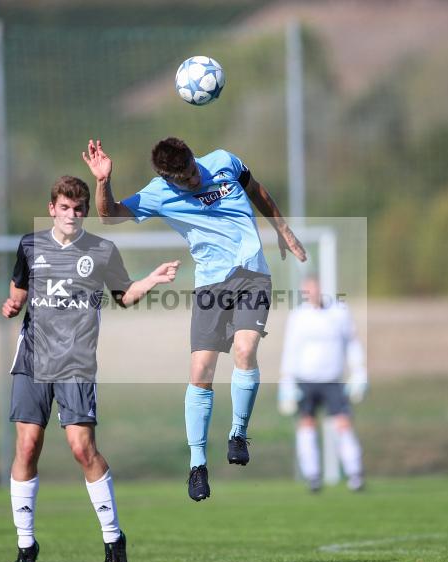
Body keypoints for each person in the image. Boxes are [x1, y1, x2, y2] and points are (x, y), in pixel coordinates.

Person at [82, 137, 307, 502]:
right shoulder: (158, 193)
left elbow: (256, 189)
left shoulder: (223, 161)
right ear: (168, 179)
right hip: (210, 284)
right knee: (201, 371)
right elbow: (109, 216)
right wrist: (103, 181)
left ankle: (237, 434)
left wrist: (281, 228)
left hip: (252, 274)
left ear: (192, 159)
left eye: (191, 171)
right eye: (183, 179)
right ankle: (198, 465)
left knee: (245, 350)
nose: (191, 180)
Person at [2, 175, 179, 562]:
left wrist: (150, 280)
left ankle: (113, 538)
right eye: (64, 207)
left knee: (82, 449)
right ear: (52, 208)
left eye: (79, 209)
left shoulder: (101, 250)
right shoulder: (30, 245)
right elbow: (17, 293)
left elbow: (124, 296)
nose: (72, 215)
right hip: (31, 359)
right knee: (27, 447)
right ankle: (26, 546)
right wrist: (11, 306)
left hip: (76, 363)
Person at [279, 276, 368, 492]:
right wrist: (286, 383)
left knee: (343, 424)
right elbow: (291, 349)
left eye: (315, 288)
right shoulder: (298, 316)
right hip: (305, 380)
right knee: (307, 425)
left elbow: (352, 342)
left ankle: (355, 475)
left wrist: (359, 372)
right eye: (307, 289)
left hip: (332, 380)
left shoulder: (339, 312)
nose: (312, 292)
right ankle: (313, 477)